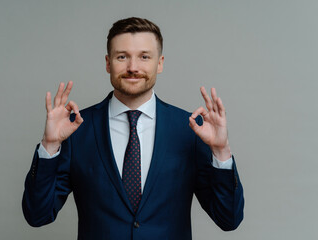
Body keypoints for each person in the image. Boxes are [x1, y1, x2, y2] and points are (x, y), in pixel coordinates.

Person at [22, 17, 244, 240]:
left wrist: (221, 151)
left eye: (144, 57)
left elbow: (228, 219)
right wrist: (49, 146)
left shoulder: (190, 130)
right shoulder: (77, 129)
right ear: (108, 63)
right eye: (122, 57)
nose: (133, 68)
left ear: (160, 63)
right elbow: (37, 215)